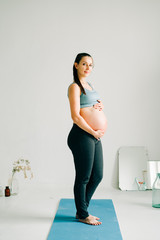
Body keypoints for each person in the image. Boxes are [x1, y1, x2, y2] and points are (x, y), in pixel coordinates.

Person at [67, 53, 107, 226]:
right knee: (83, 177)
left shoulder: (89, 85)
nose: (88, 68)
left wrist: (100, 106)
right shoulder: (74, 87)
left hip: (93, 136)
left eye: (91, 65)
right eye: (84, 64)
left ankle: (82, 210)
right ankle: (83, 213)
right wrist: (93, 131)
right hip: (82, 135)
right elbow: (75, 116)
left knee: (97, 175)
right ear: (76, 65)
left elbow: (92, 104)